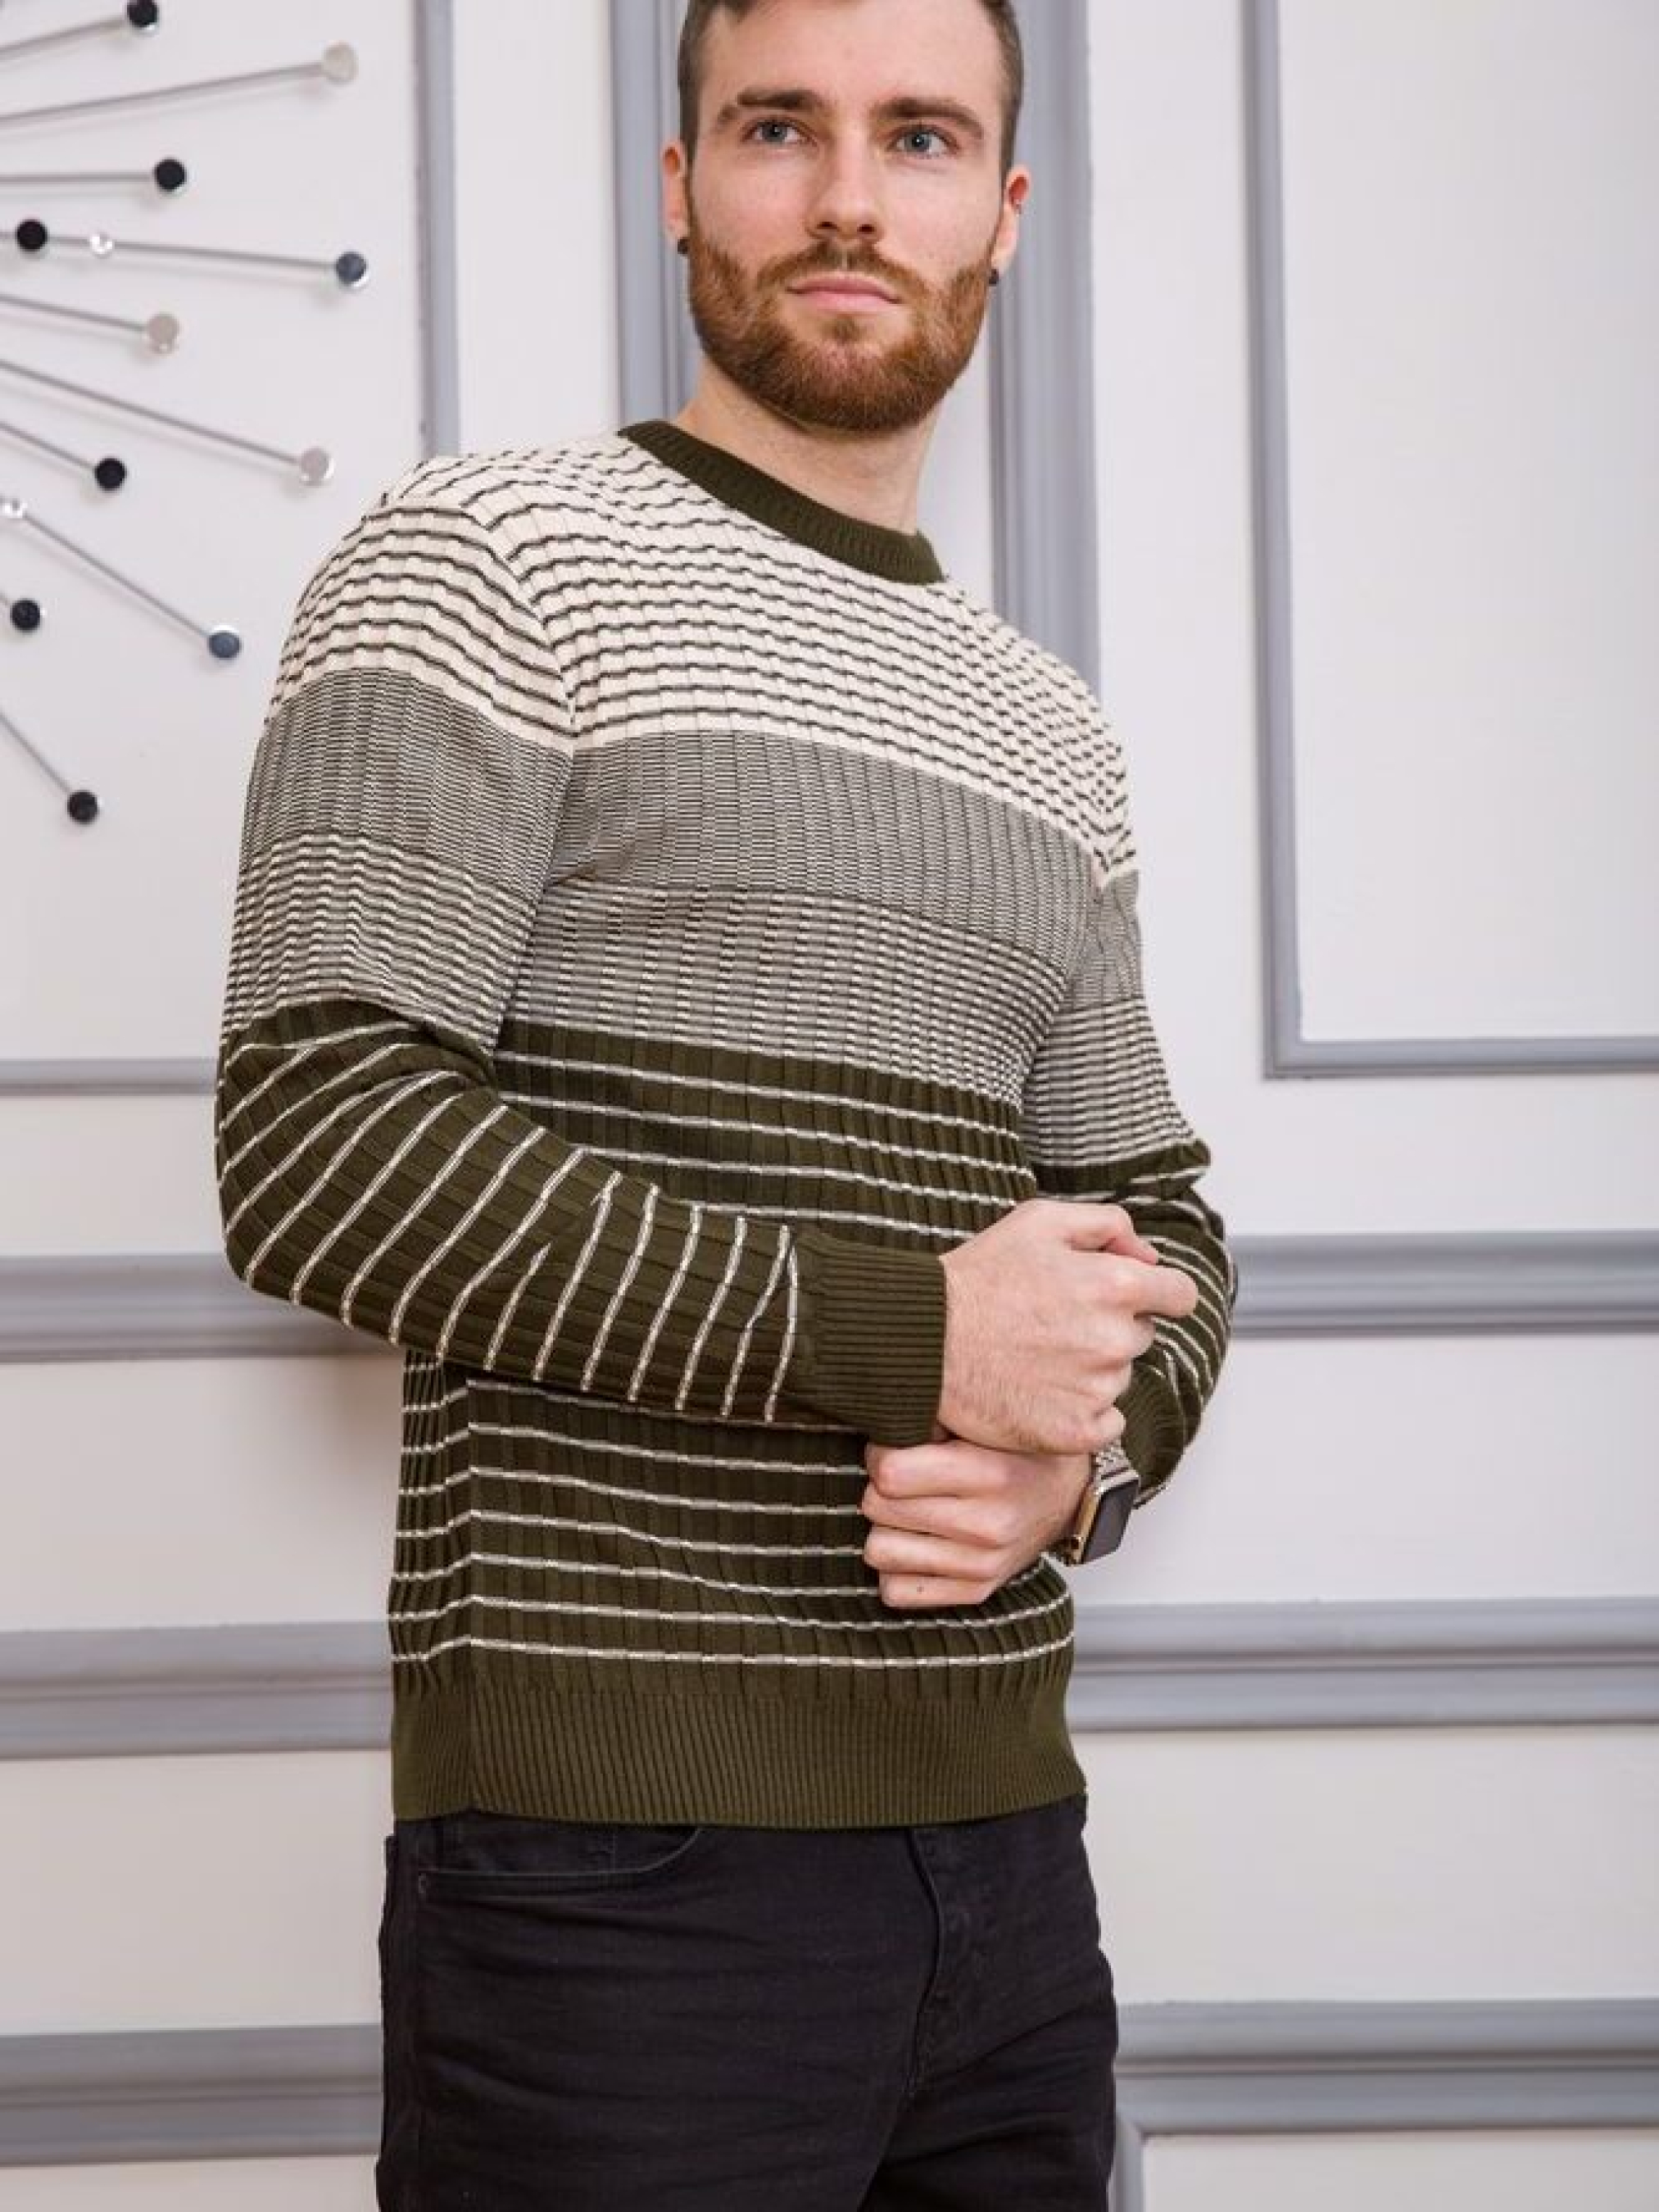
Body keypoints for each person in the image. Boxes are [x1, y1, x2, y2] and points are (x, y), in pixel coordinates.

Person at [211, 0, 1237, 2202]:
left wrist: (1074, 1471)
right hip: (615, 1877)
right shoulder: (482, 558)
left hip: (1011, 1866)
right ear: (682, 185)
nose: (850, 197)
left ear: (1002, 214)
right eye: (781, 128)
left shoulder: (1049, 729)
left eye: (920, 138)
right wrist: (920, 1337)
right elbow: (318, 1139)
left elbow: (1159, 1220)